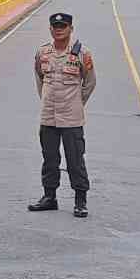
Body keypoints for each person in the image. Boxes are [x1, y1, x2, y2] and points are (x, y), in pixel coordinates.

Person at [28, 11, 96, 218]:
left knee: (75, 160)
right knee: (49, 159)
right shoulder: (43, 52)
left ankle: (80, 200)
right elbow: (40, 78)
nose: (59, 30)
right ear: (50, 29)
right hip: (48, 116)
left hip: (71, 118)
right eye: (55, 27)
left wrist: (76, 102)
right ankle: (49, 197)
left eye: (63, 27)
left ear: (71, 29)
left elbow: (89, 82)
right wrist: (46, 100)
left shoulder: (82, 53)